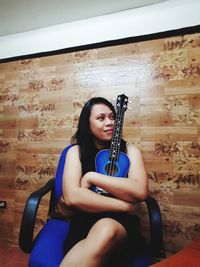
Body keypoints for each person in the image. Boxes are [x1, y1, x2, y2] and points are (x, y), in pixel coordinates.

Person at [59, 97, 148, 267]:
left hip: (120, 226)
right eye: (101, 118)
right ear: (87, 123)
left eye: (113, 117)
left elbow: (140, 190)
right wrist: (126, 206)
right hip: (84, 222)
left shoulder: (131, 151)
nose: (110, 122)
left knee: (106, 229)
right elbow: (72, 197)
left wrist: (93, 177)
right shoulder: (75, 152)